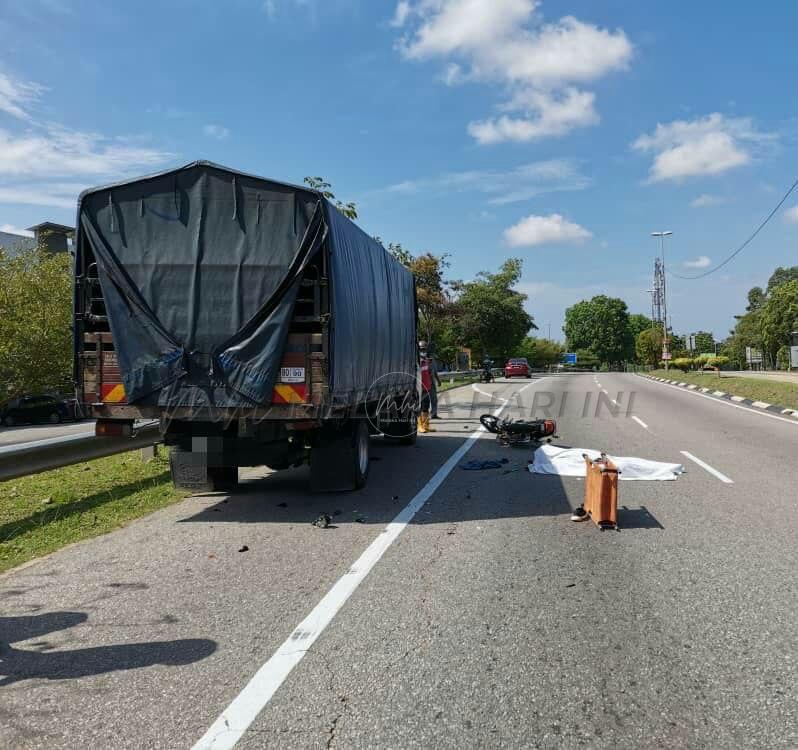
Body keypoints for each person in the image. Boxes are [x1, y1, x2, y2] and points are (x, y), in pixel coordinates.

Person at [418, 341, 435, 433]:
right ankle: (420, 426)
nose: (423, 351)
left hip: (427, 387)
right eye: (421, 349)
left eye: (424, 349)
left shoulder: (427, 361)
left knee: (426, 407)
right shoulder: (417, 361)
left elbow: (429, 373)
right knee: (420, 407)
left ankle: (426, 425)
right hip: (419, 388)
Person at [427, 345, 443, 419]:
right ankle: (426, 415)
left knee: (434, 399)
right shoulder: (424, 360)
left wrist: (438, 380)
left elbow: (435, 371)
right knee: (427, 401)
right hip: (426, 383)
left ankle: (434, 413)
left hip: (431, 383)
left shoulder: (432, 360)